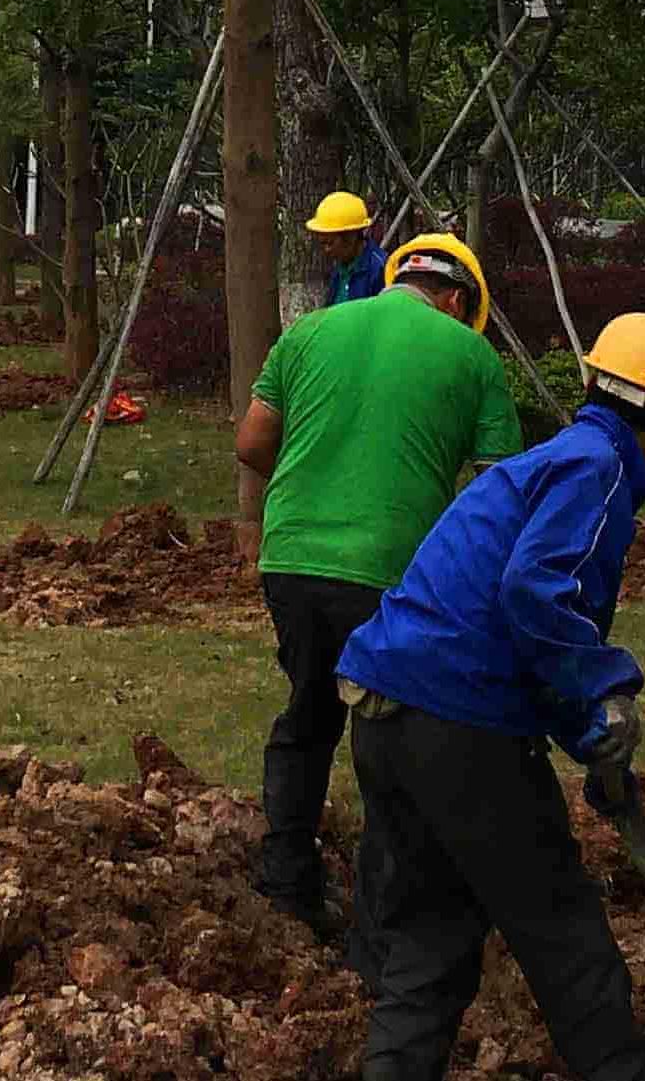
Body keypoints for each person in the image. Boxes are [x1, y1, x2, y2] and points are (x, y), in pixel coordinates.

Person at [335, 313, 645, 1081]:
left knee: (432, 937)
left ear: (594, 384)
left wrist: (587, 737)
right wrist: (607, 688)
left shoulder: (548, 461)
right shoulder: (596, 468)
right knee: (561, 928)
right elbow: (535, 593)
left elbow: (530, 637)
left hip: (384, 706)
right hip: (457, 720)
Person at [234, 232, 522, 943]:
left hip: (291, 562)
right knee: (389, 744)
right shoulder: (471, 354)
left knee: (306, 717)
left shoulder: (308, 332)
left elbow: (250, 443)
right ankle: (379, 931)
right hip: (390, 576)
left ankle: (287, 888)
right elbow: (500, 487)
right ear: (456, 300)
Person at [309, 191, 388, 306]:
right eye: (323, 244)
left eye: (330, 243)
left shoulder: (380, 270)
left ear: (351, 236)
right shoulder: (340, 268)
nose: (327, 250)